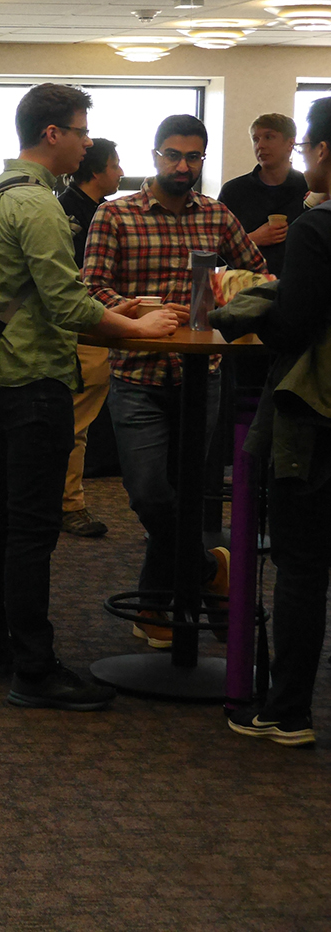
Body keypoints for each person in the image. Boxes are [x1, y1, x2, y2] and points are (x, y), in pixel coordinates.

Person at [0, 83, 178, 712]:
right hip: (33, 381)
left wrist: (112, 308)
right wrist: (134, 329)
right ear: (52, 134)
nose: (88, 142)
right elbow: (62, 305)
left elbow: (38, 293)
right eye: (82, 130)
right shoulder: (37, 206)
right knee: (32, 529)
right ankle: (34, 669)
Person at [82, 114, 266, 648]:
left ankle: (156, 606)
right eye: (173, 155)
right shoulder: (114, 216)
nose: (183, 166)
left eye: (194, 157)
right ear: (154, 155)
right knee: (146, 492)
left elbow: (259, 278)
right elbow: (91, 288)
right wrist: (139, 313)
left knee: (184, 495)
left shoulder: (217, 215)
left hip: (201, 375)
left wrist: (228, 304)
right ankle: (209, 568)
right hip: (136, 373)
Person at [216, 94, 331, 747]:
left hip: (314, 414)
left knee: (302, 563)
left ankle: (288, 709)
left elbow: (293, 325)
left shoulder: (318, 229)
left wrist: (260, 305)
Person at [56, 137, 123, 538]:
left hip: (95, 327)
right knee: (74, 425)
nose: (120, 172)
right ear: (97, 170)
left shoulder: (97, 210)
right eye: (116, 165)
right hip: (83, 331)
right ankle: (69, 504)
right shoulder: (71, 213)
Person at [219, 113, 308, 277]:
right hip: (244, 293)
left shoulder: (309, 188)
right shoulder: (234, 191)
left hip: (296, 287)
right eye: (256, 139)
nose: (260, 145)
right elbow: (214, 255)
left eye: (269, 137)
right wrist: (251, 239)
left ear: (290, 143)